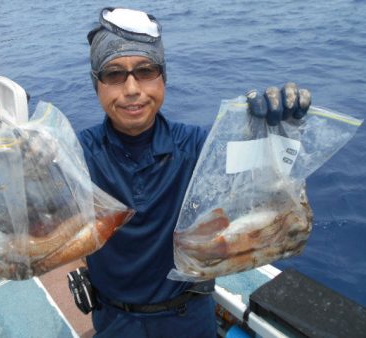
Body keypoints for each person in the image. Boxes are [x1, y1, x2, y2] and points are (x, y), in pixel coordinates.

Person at [77, 7, 311, 338]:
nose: (131, 88)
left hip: (189, 316)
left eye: (146, 70)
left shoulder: (200, 148)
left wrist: (281, 135)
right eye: (114, 74)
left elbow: (268, 189)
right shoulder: (76, 156)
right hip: (114, 319)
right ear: (96, 84)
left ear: (164, 78)